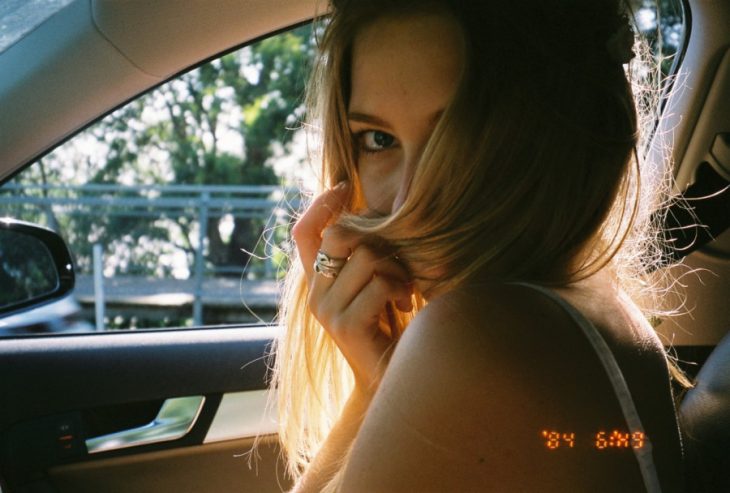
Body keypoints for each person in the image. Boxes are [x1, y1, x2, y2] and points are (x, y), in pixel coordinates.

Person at [268, 0, 688, 491]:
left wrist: (377, 391)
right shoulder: (605, 316)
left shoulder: (476, 336)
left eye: (461, 138)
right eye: (378, 139)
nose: (411, 202)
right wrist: (376, 386)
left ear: (562, 132)